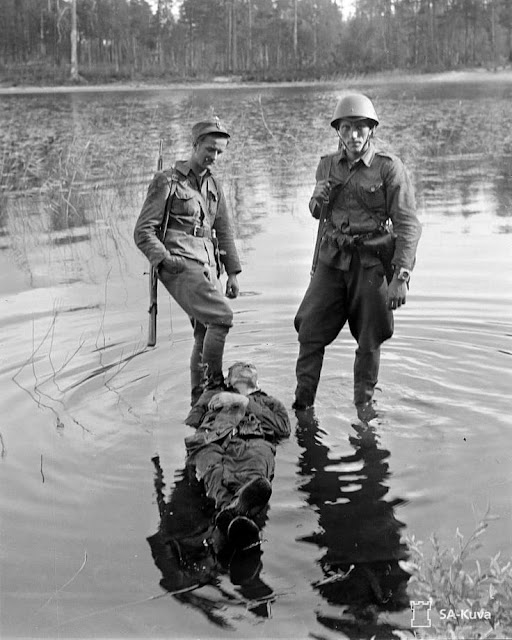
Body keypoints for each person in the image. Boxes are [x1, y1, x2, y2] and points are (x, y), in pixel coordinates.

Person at [293, 94, 422, 422]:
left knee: (370, 336)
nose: (353, 135)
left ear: (371, 131)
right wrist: (316, 199)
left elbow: (408, 224)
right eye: (346, 128)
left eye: (360, 128)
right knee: (309, 328)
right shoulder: (326, 165)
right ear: (338, 131)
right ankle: (302, 408)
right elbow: (317, 213)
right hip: (332, 260)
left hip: (370, 264)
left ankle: (364, 415)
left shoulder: (389, 169)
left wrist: (400, 278)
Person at [134, 118, 241, 404]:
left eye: (219, 152)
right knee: (222, 318)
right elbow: (143, 231)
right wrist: (166, 261)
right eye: (209, 149)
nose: (214, 157)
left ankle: (199, 397)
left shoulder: (214, 184)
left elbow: (224, 229)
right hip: (180, 261)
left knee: (204, 329)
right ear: (194, 145)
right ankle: (215, 387)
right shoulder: (167, 180)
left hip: (208, 266)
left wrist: (232, 273)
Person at [184, 361, 291, 549]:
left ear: (257, 383)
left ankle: (232, 512)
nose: (246, 366)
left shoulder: (270, 402)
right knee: (211, 468)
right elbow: (192, 420)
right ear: (228, 379)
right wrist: (212, 398)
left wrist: (243, 402)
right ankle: (235, 512)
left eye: (250, 367)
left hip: (253, 440)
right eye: (239, 367)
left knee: (255, 472)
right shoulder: (212, 395)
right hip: (212, 439)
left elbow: (283, 429)